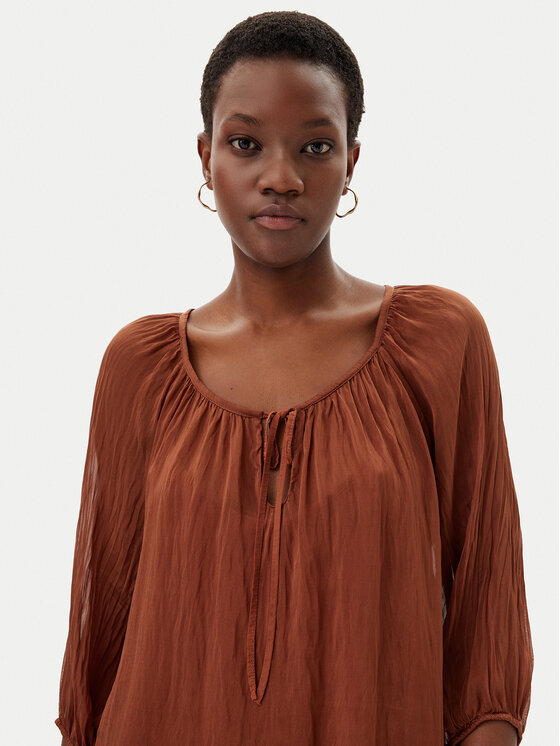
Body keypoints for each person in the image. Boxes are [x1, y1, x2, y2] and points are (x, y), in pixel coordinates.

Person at [54, 11, 534, 746]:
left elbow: (487, 632)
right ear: (205, 155)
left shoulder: (439, 344)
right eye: (246, 143)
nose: (281, 178)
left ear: (352, 162)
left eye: (315, 146)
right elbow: (99, 650)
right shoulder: (140, 367)